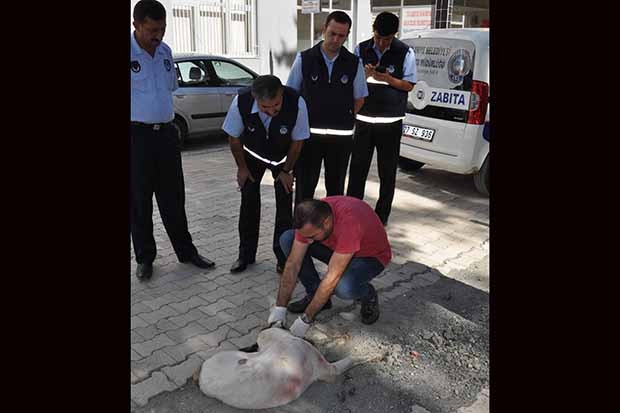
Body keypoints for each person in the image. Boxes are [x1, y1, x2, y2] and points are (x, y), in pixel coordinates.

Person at [130, 0, 215, 281]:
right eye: (152, 30)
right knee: (139, 200)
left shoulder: (166, 52)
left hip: (166, 134)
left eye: (162, 29)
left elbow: (169, 90)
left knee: (174, 197)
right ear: (136, 25)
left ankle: (186, 252)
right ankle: (145, 258)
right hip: (136, 137)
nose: (158, 35)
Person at [267, 196, 391, 338]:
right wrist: (279, 308)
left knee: (343, 287)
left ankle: (367, 294)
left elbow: (332, 276)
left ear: (326, 223)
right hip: (339, 249)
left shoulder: (350, 222)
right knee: (288, 239)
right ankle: (315, 293)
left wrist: (306, 320)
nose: (308, 240)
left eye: (312, 236)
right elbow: (293, 264)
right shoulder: (310, 219)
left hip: (369, 257)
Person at [223, 75, 310, 274]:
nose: (271, 111)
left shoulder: (297, 102)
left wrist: (287, 171)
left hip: (283, 159)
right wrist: (242, 168)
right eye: (265, 108)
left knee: (285, 207)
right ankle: (245, 255)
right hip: (253, 157)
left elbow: (298, 141)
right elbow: (234, 138)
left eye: (276, 106)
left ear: (281, 94)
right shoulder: (242, 101)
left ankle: (283, 257)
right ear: (255, 98)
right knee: (248, 203)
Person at [286, 11, 368, 206]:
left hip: (341, 139)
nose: (335, 39)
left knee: (336, 191)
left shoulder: (354, 63)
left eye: (341, 36)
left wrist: (344, 116)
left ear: (347, 36)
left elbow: (360, 98)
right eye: (332, 33)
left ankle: (332, 233)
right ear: (324, 30)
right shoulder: (305, 59)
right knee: (305, 189)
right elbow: (291, 95)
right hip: (309, 138)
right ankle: (302, 234)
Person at [346, 12, 417, 226]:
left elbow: (409, 85)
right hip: (365, 120)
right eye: (378, 37)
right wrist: (365, 76)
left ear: (395, 35)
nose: (381, 42)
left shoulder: (405, 52)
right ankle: (352, 212)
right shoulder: (361, 48)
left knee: (387, 172)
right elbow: (351, 81)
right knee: (357, 169)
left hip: (390, 123)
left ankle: (381, 217)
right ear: (373, 31)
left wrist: (388, 79)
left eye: (386, 39)